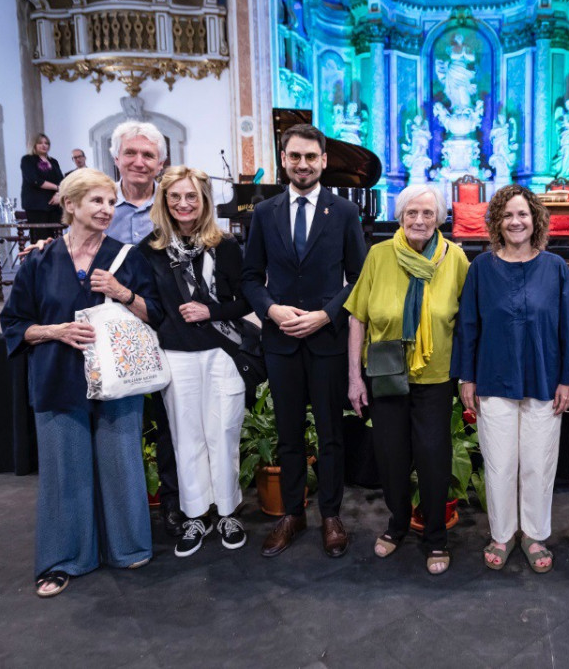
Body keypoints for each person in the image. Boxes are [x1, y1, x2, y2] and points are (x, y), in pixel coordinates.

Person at [0, 168, 161, 597]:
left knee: (122, 465)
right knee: (63, 473)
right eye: (97, 201)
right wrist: (55, 331)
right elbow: (14, 324)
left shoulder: (127, 257)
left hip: (116, 379)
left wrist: (123, 292)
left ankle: (128, 547)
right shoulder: (38, 260)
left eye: (110, 202)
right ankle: (64, 559)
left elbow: (156, 313)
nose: (107, 209)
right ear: (70, 205)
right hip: (56, 377)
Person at [242, 123, 367, 559]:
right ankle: (292, 513)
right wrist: (271, 309)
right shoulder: (264, 212)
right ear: (283, 159)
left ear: (324, 161)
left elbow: (359, 279)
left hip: (327, 339)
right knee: (289, 434)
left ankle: (331, 515)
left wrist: (327, 313)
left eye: (311, 157)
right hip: (280, 341)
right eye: (295, 156)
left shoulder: (345, 212)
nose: (303, 164)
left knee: (331, 435)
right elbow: (250, 277)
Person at [453, 184, 569, 573]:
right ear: (497, 221)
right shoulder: (481, 268)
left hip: (544, 378)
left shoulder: (554, 267)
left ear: (536, 220)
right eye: (508, 215)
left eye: (523, 214)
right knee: (499, 464)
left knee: (537, 464)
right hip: (492, 377)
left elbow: (568, 325)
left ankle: (533, 533)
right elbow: (468, 325)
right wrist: (466, 376)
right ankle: (502, 534)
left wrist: (568, 380)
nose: (516, 221)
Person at [344, 184, 470, 574]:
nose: (419, 220)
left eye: (428, 213)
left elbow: (468, 321)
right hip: (386, 371)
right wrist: (354, 378)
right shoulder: (379, 255)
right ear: (400, 217)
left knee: (434, 459)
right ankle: (397, 525)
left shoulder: (455, 259)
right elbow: (357, 318)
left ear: (439, 218)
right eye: (411, 213)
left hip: (435, 375)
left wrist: (468, 376)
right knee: (391, 456)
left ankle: (436, 537)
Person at [136, 166, 251, 557]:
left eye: (191, 196)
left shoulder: (226, 245)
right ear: (164, 201)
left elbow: (247, 300)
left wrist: (211, 311)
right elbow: (150, 305)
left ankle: (228, 512)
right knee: (186, 440)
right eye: (175, 196)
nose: (183, 204)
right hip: (176, 354)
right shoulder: (150, 250)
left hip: (222, 352)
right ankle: (195, 516)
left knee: (224, 434)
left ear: (204, 201)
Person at [20, 133, 64, 241]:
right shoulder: (28, 160)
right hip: (36, 206)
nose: (44, 145)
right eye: (40, 143)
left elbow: (62, 181)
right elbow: (35, 180)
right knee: (40, 238)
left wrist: (59, 194)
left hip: (54, 205)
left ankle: (54, 253)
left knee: (54, 239)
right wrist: (57, 188)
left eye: (46, 143)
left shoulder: (53, 161)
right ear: (34, 145)